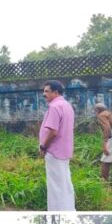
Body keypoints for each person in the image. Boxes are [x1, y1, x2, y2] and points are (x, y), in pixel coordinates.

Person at [39, 80, 76, 212]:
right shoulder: (66, 105)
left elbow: (53, 131)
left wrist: (43, 147)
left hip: (54, 151)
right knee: (65, 183)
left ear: (55, 92)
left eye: (47, 91)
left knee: (55, 186)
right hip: (64, 151)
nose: (44, 94)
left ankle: (57, 210)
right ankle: (69, 208)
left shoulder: (54, 107)